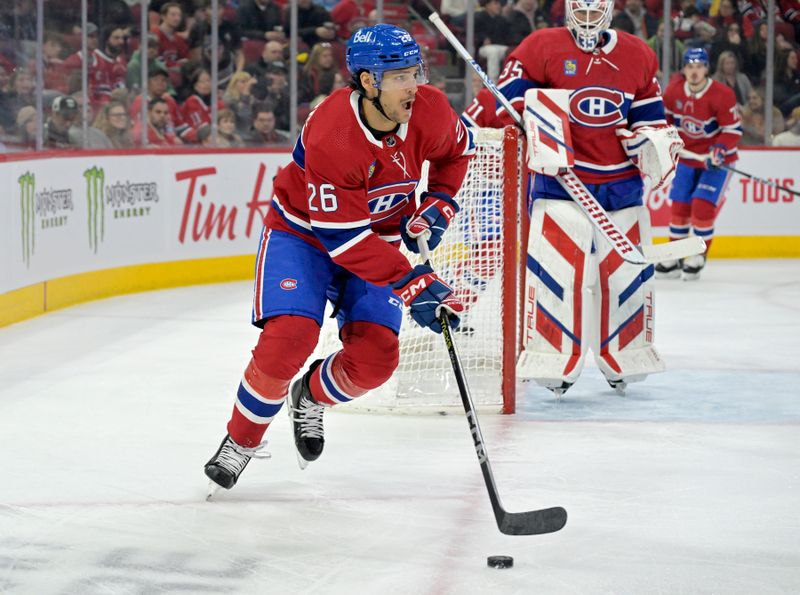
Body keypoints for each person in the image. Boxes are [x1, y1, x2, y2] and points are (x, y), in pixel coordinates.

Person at [203, 23, 474, 493]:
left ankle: (310, 396)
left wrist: (440, 202)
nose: (414, 85)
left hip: (382, 238)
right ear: (368, 81)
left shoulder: (428, 109)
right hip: (304, 237)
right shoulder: (333, 133)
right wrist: (413, 282)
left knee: (376, 360)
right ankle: (241, 440)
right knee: (289, 338)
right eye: (399, 77)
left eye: (416, 72)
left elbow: (457, 151)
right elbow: (344, 241)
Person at [490, 0, 680, 395]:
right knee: (556, 275)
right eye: (582, 11)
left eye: (597, 12)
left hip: (621, 186)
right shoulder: (540, 45)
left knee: (628, 277)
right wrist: (531, 115)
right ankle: (551, 358)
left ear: (610, 11)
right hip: (559, 183)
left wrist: (647, 141)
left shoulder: (637, 54)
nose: (589, 20)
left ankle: (626, 355)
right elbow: (503, 104)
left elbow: (651, 118)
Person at [660, 47, 742, 280]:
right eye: (690, 67)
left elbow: (733, 130)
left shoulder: (722, 94)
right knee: (679, 207)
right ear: (684, 69)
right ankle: (675, 255)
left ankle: (698, 255)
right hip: (686, 158)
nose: (694, 72)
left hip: (715, 162)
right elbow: (664, 122)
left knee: (702, 206)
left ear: (706, 68)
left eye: (699, 67)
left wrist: (719, 149)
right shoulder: (673, 91)